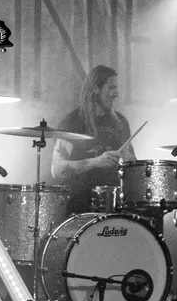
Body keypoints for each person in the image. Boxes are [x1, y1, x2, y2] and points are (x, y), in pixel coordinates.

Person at [51, 65, 137, 214]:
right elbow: (57, 169)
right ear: (96, 89)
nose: (116, 93)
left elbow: (131, 162)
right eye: (111, 87)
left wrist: (130, 163)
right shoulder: (72, 122)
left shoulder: (120, 122)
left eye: (116, 88)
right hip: (80, 207)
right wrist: (96, 162)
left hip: (114, 206)